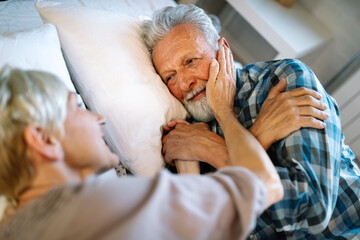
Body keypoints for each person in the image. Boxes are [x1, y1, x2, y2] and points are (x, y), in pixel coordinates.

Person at [140, 4, 360, 239]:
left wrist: (213, 144)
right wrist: (258, 136)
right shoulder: (186, 136)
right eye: (170, 77)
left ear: (222, 50)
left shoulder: (284, 79)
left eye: (191, 61)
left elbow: (309, 209)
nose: (184, 84)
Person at [0, 66, 284, 239]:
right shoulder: (109, 205)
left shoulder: (13, 228)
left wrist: (189, 161)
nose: (98, 117)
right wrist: (223, 111)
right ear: (42, 139)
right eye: (76, 108)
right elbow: (266, 185)